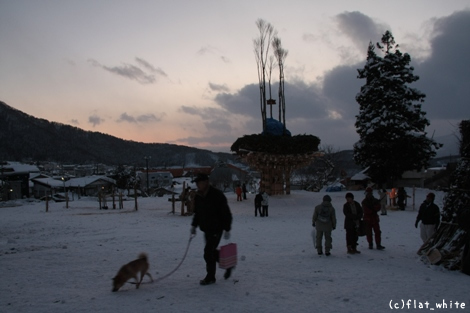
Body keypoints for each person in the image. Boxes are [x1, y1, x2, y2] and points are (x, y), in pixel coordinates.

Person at [190, 173, 233, 285]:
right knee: (212, 252)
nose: (198, 185)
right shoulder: (199, 196)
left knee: (208, 252)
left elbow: (226, 213)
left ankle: (210, 277)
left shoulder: (217, 195)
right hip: (206, 229)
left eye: (199, 182)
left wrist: (227, 228)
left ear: (206, 182)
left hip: (216, 228)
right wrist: (194, 226)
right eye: (197, 183)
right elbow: (197, 213)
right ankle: (228, 264)